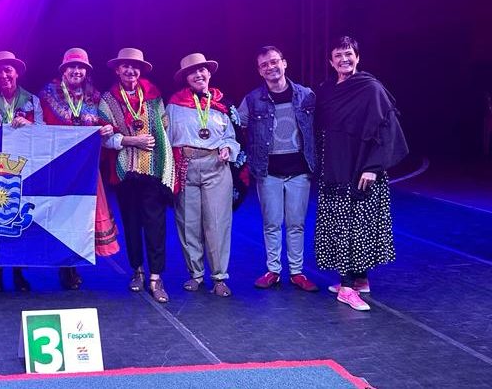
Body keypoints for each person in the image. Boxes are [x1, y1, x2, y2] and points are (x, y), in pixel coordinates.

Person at [315, 36, 407, 311]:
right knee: (341, 222)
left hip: (363, 168)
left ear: (358, 57)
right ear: (330, 61)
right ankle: (359, 280)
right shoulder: (327, 90)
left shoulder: (370, 88)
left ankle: (346, 287)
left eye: (349, 54)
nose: (344, 59)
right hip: (335, 165)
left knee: (356, 225)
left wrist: (373, 167)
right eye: (338, 55)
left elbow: (387, 129)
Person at [237, 46, 319, 292]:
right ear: (260, 71)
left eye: (274, 62)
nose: (271, 67)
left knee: (296, 224)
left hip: (299, 171)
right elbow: (235, 124)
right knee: (271, 223)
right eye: (264, 65)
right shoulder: (252, 100)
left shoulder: (306, 96)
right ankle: (273, 270)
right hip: (268, 171)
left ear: (285, 63)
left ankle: (297, 273)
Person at [98, 48, 175, 302]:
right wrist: (133, 140)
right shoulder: (107, 100)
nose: (130, 70)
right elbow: (106, 139)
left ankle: (156, 276)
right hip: (124, 172)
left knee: (155, 224)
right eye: (125, 66)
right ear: (117, 70)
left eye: (135, 67)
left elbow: (163, 129)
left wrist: (166, 165)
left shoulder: (153, 95)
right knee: (131, 224)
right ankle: (137, 271)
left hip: (152, 170)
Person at [39, 48, 119, 290]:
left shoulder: (96, 98)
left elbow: (107, 124)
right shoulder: (47, 95)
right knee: (60, 216)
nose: (76, 71)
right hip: (58, 168)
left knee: (81, 216)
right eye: (71, 67)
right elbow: (40, 128)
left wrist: (108, 129)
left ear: (86, 72)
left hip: (84, 170)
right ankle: (64, 266)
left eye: (81, 68)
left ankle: (73, 263)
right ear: (63, 71)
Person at [166, 53, 240, 298]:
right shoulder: (174, 105)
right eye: (193, 72)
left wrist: (229, 147)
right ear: (186, 78)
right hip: (186, 166)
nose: (198, 75)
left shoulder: (221, 104)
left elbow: (232, 135)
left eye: (202, 71)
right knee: (188, 223)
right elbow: (165, 139)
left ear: (209, 74)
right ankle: (195, 274)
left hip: (216, 168)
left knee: (218, 224)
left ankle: (219, 277)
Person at [0, 51, 43, 292]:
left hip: (23, 166)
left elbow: (44, 130)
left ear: (16, 73)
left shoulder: (32, 101)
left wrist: (30, 125)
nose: (3, 74)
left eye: (8, 70)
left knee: (17, 218)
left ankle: (18, 271)